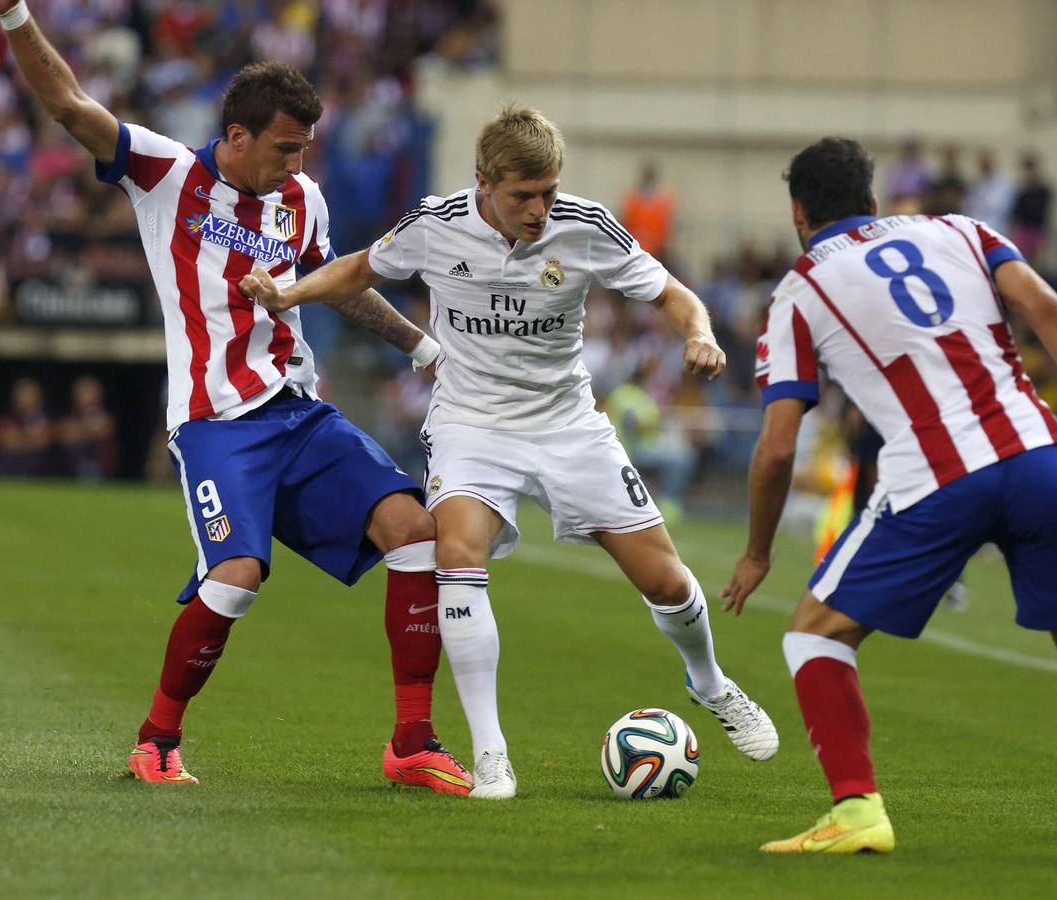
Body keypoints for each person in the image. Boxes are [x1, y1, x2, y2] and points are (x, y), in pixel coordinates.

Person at [0, 0, 472, 794]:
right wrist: (11, 13)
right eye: (283, 148)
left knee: (415, 533)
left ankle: (412, 742)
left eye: (303, 149)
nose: (294, 164)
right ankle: (157, 742)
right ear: (237, 136)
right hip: (216, 423)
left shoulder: (301, 200)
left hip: (299, 412)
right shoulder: (168, 174)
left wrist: (420, 347)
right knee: (238, 575)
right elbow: (70, 103)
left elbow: (336, 285)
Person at [243, 104, 778, 800]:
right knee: (456, 553)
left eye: (548, 191)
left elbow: (674, 293)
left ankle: (709, 681)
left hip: (567, 425)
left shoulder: (583, 227)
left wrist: (699, 332)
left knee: (669, 583)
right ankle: (491, 754)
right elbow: (356, 269)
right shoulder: (436, 225)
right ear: (484, 183)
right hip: (472, 424)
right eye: (524, 194)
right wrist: (287, 294)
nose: (539, 207)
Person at [723, 137, 1057, 853]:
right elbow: (1047, 308)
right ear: (871, 199)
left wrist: (758, 551)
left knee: (813, 634)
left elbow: (775, 449)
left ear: (798, 213)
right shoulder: (958, 229)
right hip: (1039, 452)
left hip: (937, 473)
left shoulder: (799, 291)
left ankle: (858, 814)